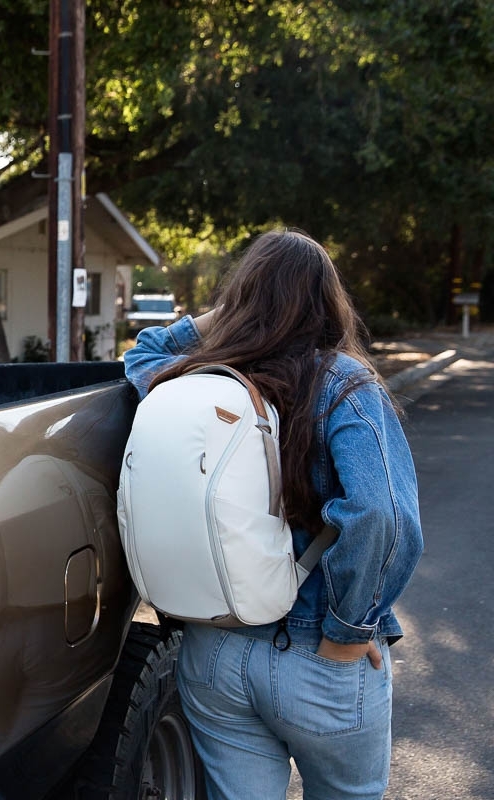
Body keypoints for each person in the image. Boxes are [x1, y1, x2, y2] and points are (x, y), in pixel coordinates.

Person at [123, 229, 424, 800]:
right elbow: (385, 516)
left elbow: (142, 351)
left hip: (215, 652)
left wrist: (233, 315)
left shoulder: (196, 372)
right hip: (321, 655)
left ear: (239, 297)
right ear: (327, 304)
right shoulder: (345, 384)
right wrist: (350, 628)